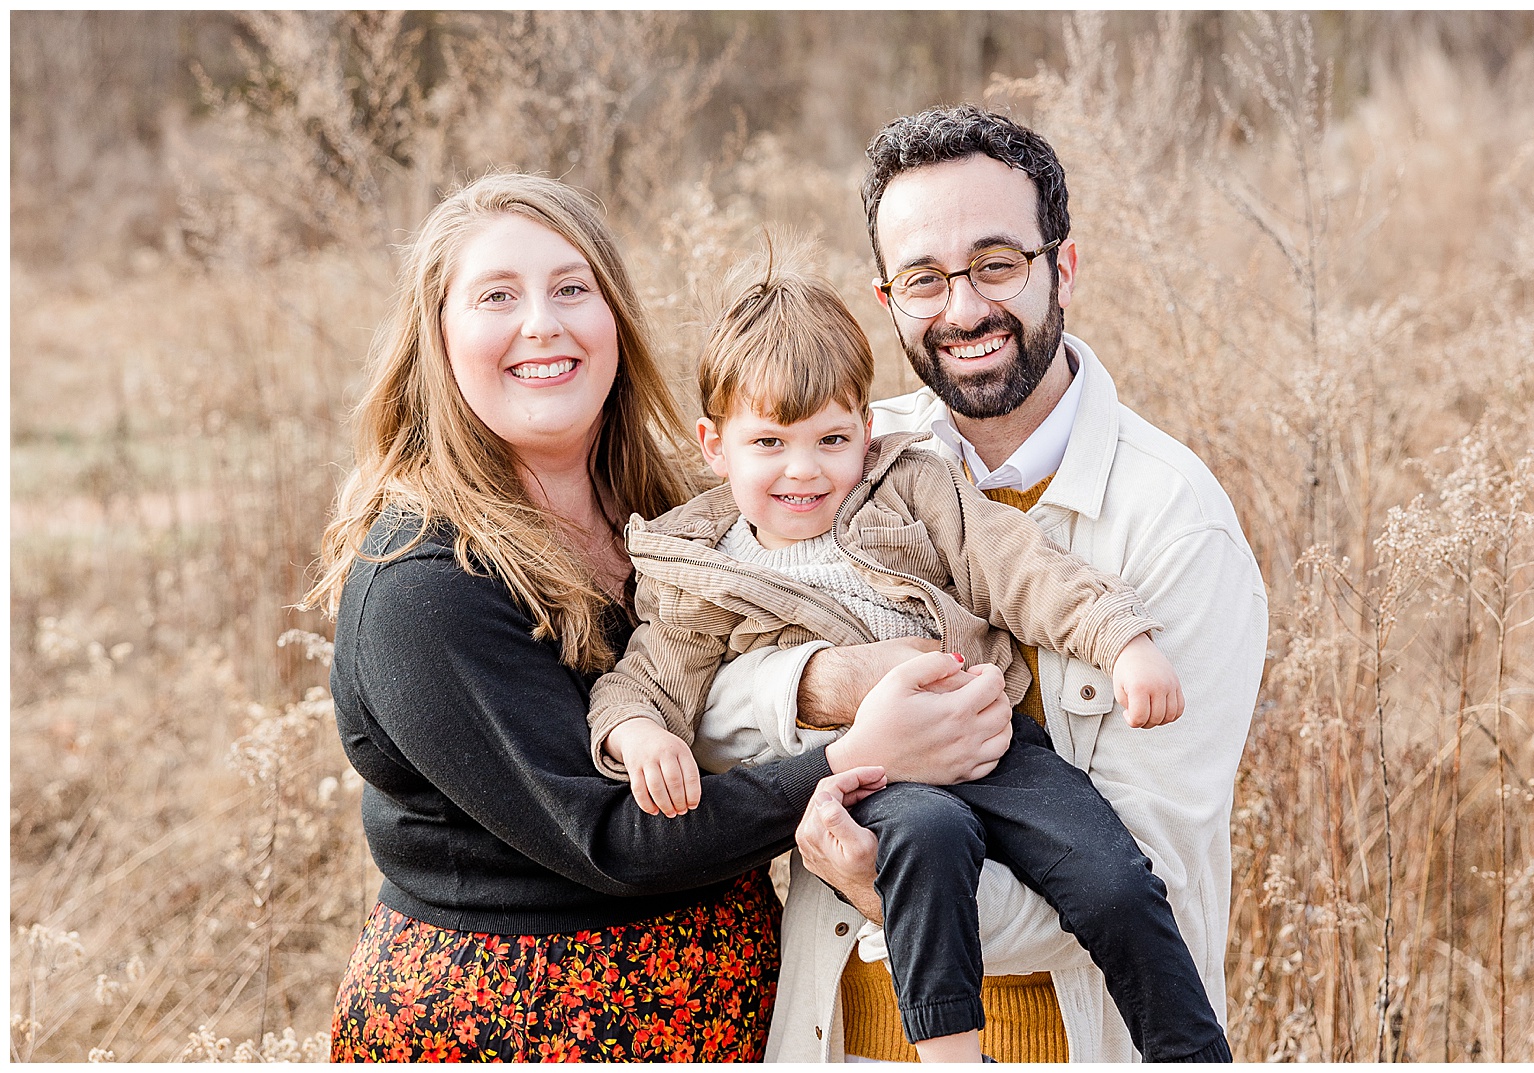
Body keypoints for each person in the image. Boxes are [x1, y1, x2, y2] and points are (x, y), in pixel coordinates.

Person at [304, 171, 1016, 1062]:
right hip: (522, 1026)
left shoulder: (682, 515)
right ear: (437, 337)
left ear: (615, 319)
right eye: (497, 296)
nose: (542, 323)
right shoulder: (424, 582)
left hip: (736, 1008)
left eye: (572, 287)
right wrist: (862, 753)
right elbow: (609, 836)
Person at [695, 106, 1270, 1062]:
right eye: (925, 279)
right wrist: (824, 686)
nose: (962, 310)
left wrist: (895, 883)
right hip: (838, 1038)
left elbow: (1142, 878)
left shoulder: (1176, 526)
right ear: (889, 300)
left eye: (997, 263)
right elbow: (698, 698)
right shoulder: (829, 457)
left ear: (1063, 269)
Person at [586, 264, 1227, 1063]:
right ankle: (952, 1054)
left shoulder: (908, 486)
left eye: (831, 438)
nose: (803, 470)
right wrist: (642, 734)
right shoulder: (703, 571)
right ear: (715, 446)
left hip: (993, 745)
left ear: (867, 425)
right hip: (873, 782)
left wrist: (1120, 638)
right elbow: (648, 679)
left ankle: (1192, 1051)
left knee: (1115, 878)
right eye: (768, 444)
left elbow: (1016, 563)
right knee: (925, 840)